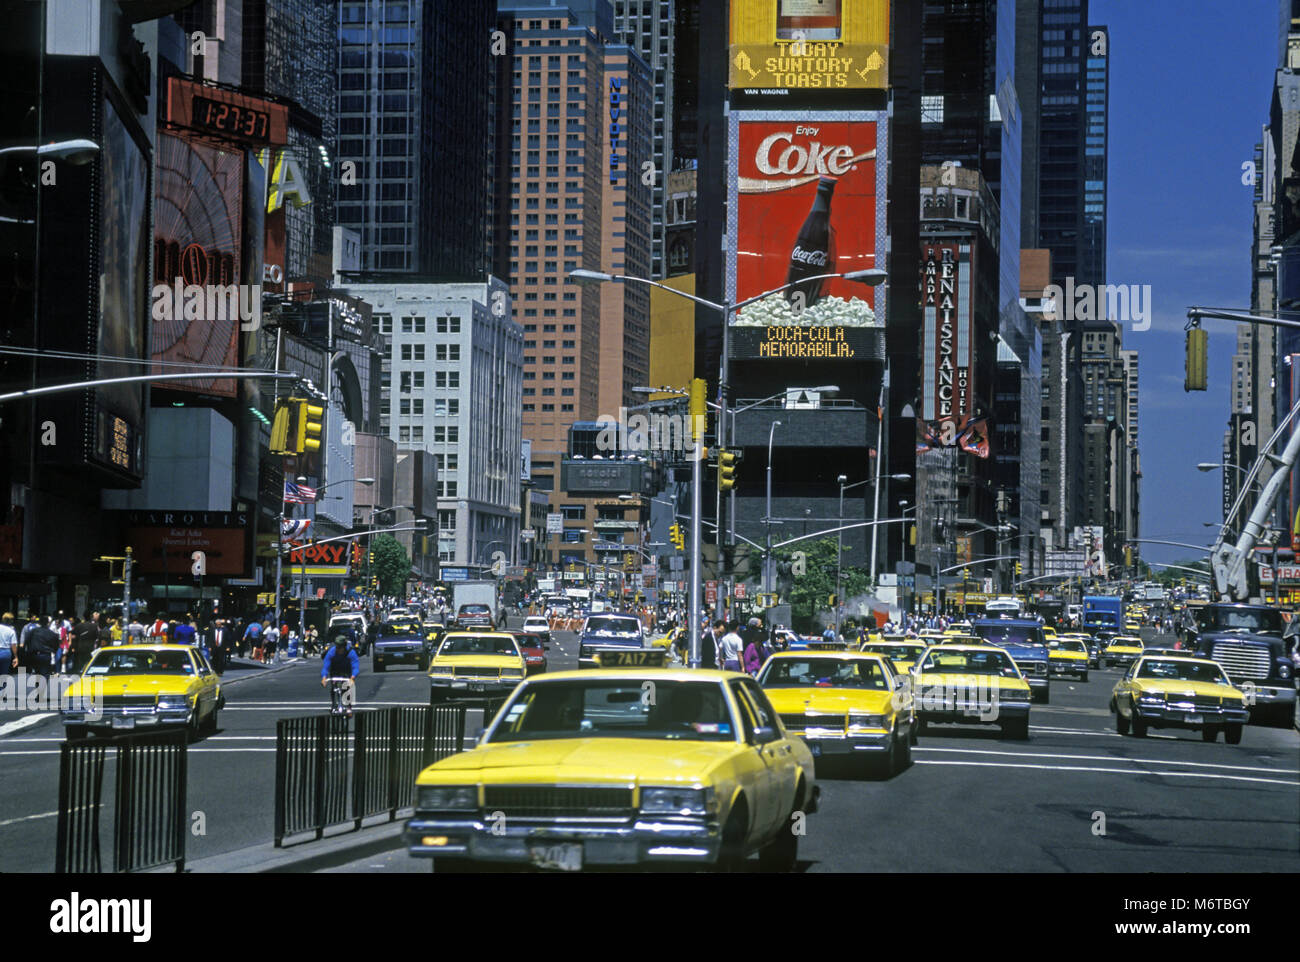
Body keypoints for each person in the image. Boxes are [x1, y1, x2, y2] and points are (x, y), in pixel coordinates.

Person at [321, 634, 361, 716]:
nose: (338, 649)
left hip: (346, 671)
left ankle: (349, 707)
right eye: (337, 647)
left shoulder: (351, 652)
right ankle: (333, 704)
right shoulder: (331, 652)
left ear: (344, 646)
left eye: (340, 647)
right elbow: (326, 666)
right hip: (335, 670)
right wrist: (324, 677)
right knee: (334, 685)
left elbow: (355, 666)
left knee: (347, 687)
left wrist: (352, 677)